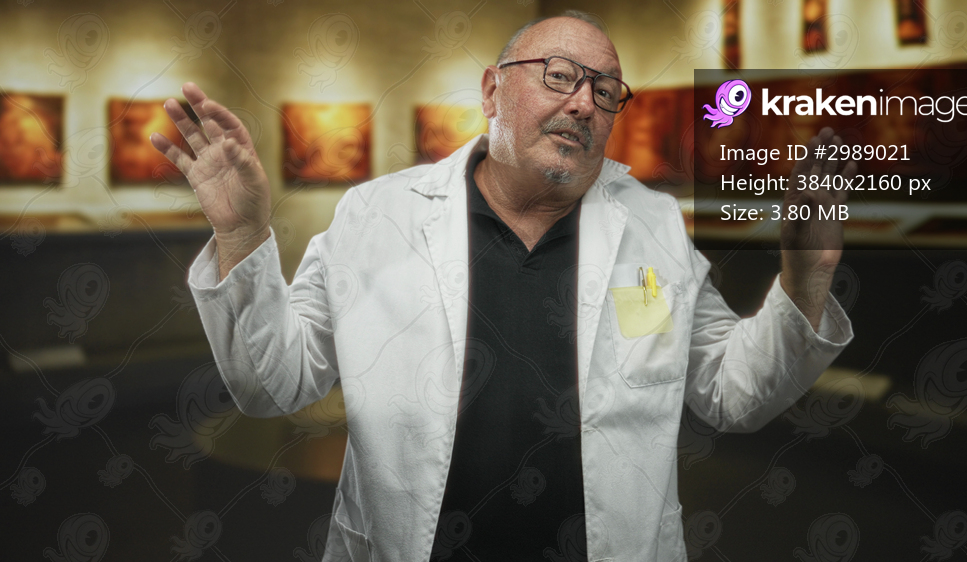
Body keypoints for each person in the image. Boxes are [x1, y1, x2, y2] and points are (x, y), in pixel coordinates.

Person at [151, 11, 854, 562]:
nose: (584, 104)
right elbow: (273, 384)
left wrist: (807, 280)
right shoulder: (377, 217)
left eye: (605, 90)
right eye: (559, 75)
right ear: (492, 89)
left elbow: (733, 393)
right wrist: (241, 235)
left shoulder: (653, 227)